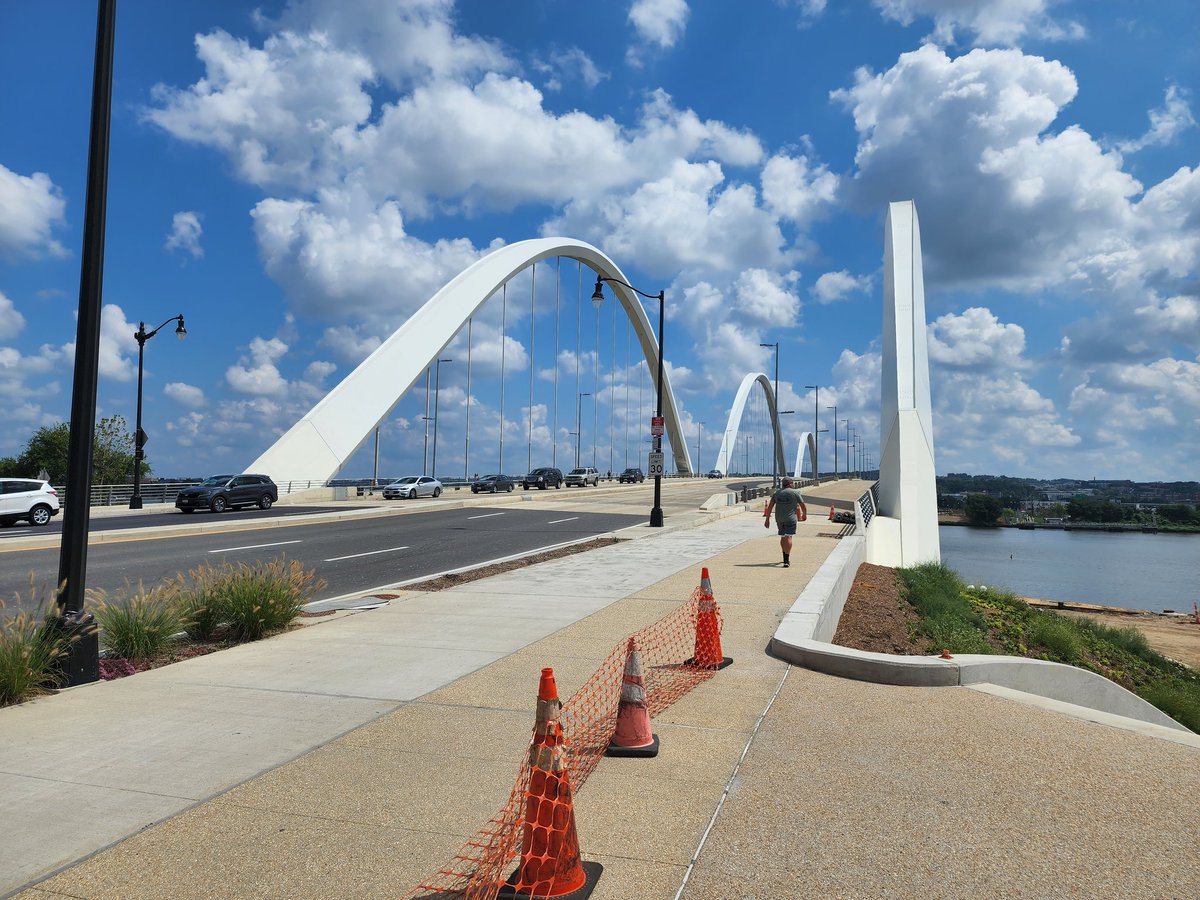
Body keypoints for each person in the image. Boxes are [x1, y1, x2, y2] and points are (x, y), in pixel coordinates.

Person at [763, 477, 808, 567]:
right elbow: (802, 505)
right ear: (790, 484)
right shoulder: (795, 493)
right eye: (792, 483)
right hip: (790, 519)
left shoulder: (777, 493)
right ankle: (787, 560)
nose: (793, 484)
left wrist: (767, 519)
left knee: (783, 537)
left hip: (779, 519)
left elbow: (770, 507)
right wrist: (804, 514)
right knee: (789, 537)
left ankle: (784, 557)